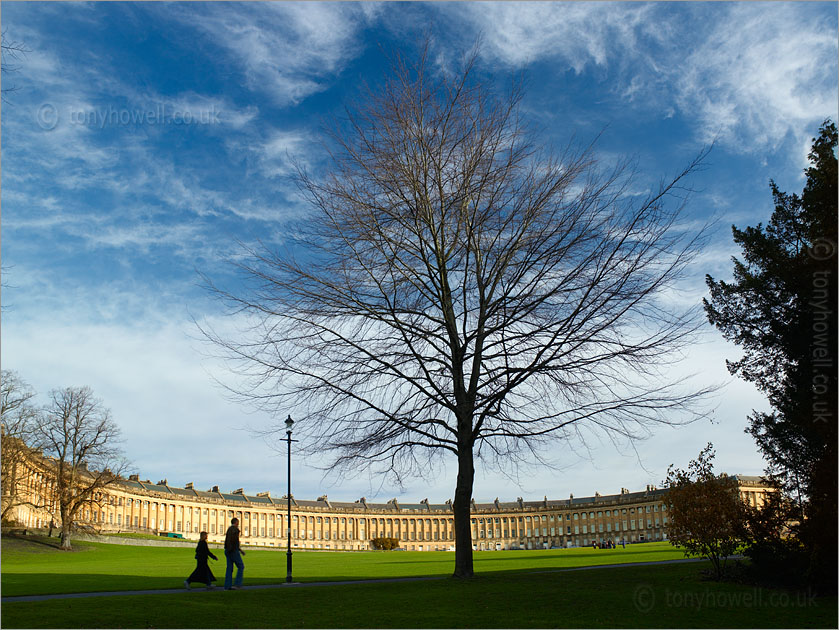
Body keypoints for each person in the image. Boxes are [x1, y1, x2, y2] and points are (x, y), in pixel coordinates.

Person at [224, 517, 246, 590]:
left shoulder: (229, 529)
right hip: (233, 551)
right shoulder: (235, 530)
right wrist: (237, 549)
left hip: (228, 550)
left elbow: (228, 541)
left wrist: (240, 550)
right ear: (236, 522)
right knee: (241, 566)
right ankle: (237, 584)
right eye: (238, 522)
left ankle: (227, 586)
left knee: (229, 569)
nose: (238, 524)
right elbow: (234, 541)